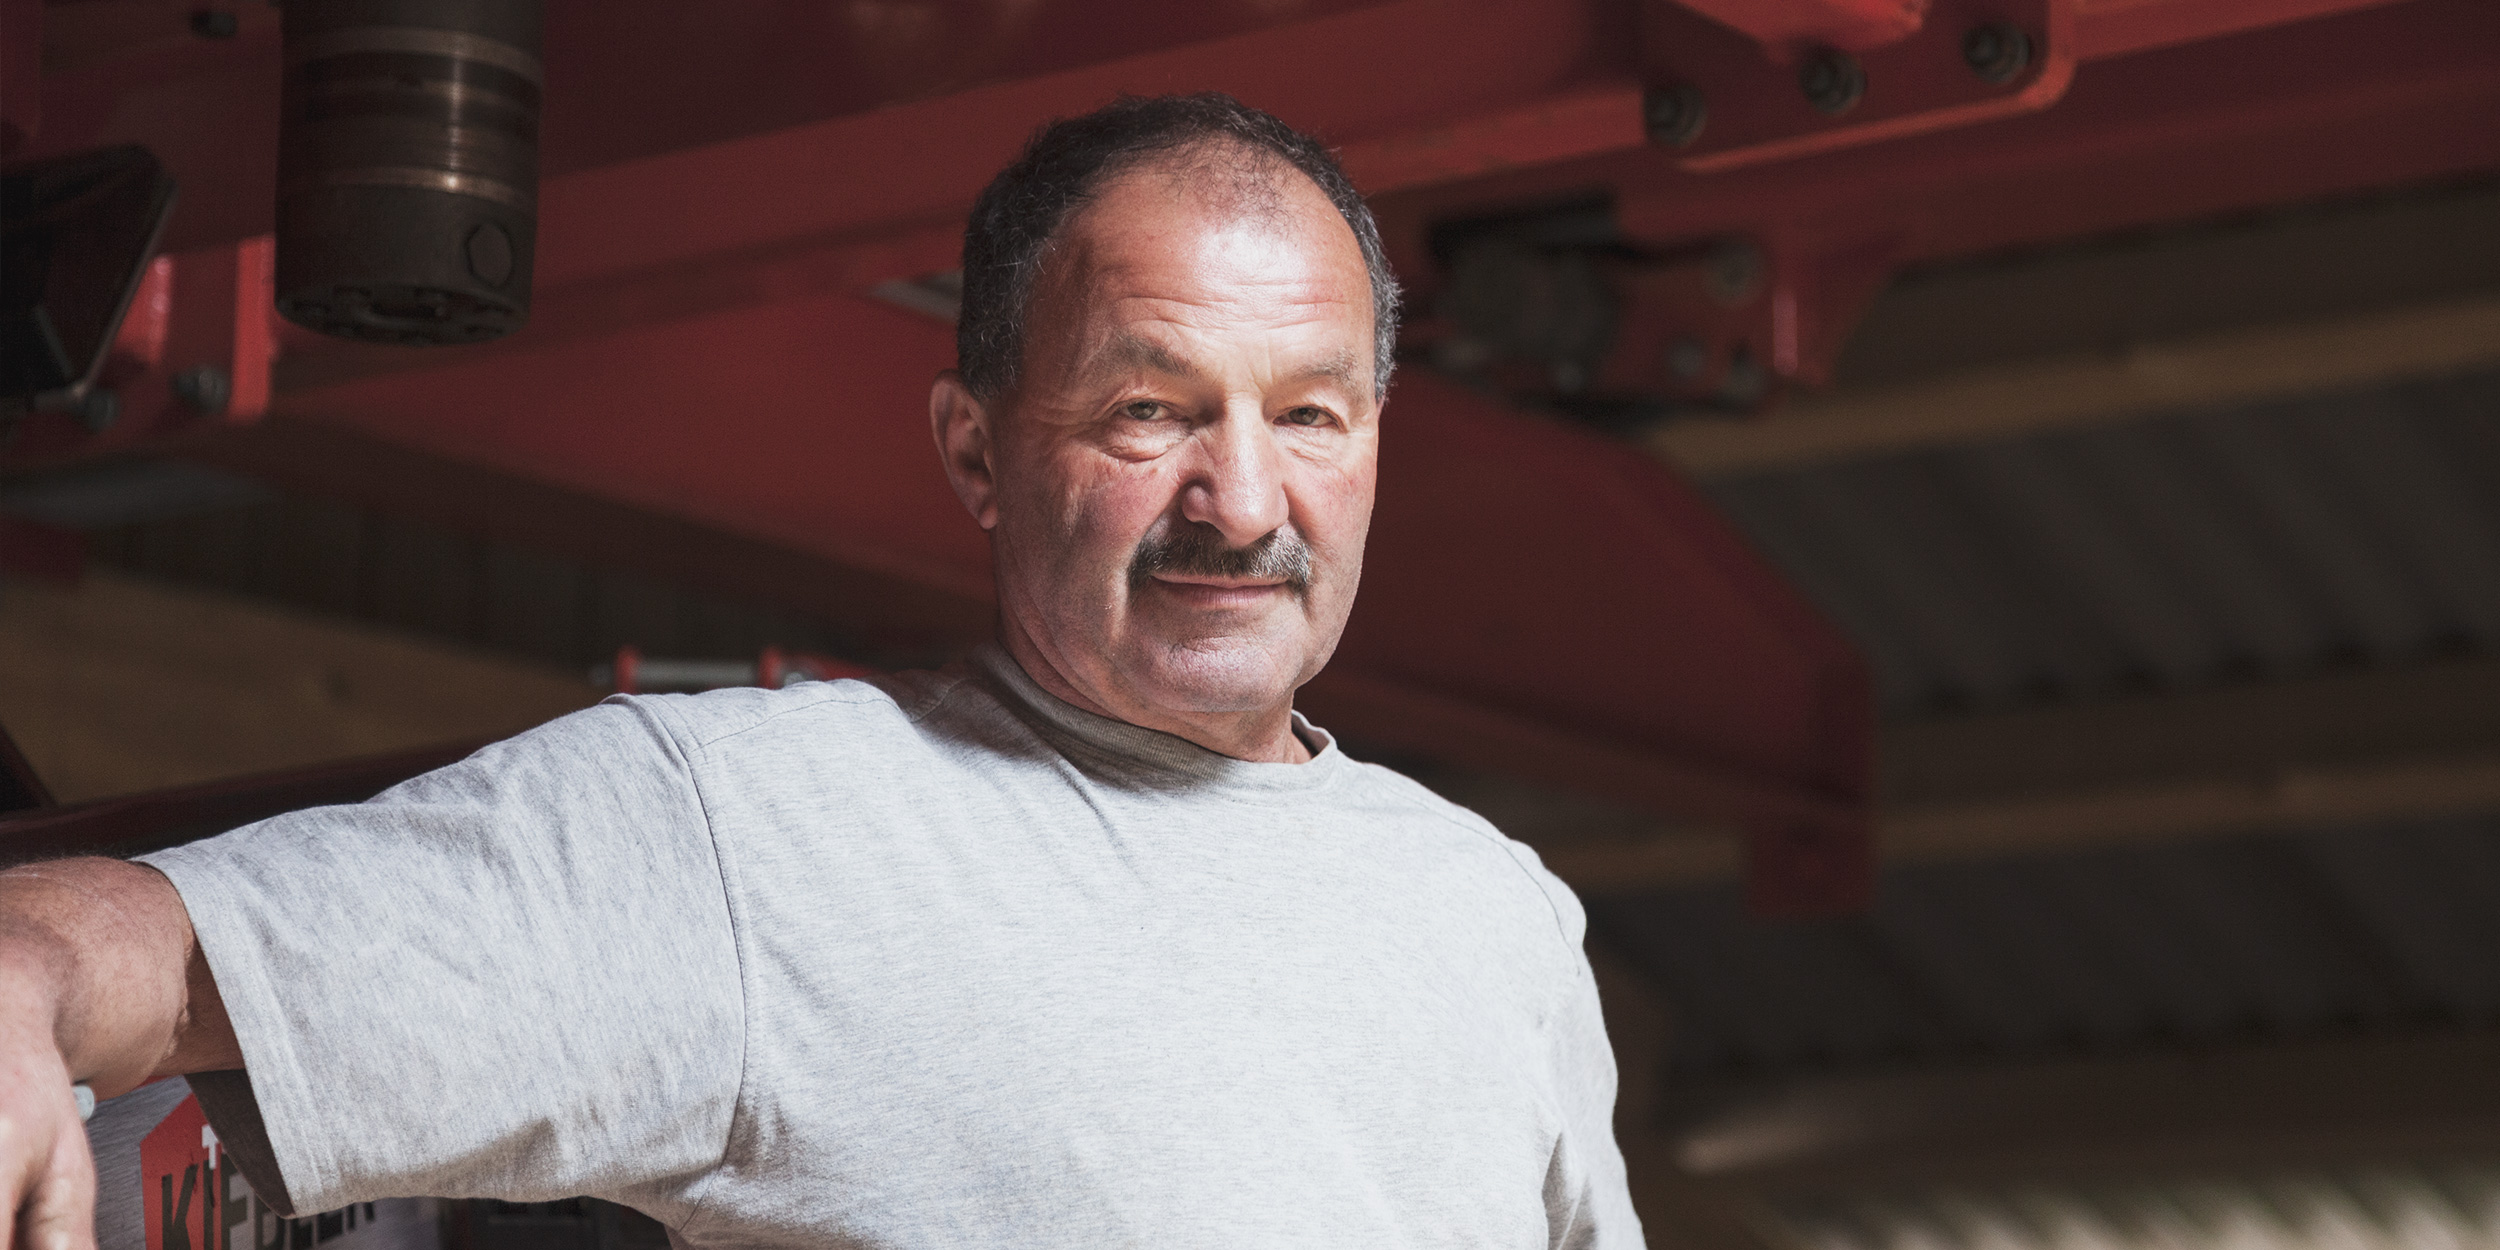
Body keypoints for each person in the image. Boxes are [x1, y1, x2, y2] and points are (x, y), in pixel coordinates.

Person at [0, 93, 1641, 1249]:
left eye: (1308, 413)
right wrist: (22, 978)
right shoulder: (752, 833)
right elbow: (174, 948)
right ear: (977, 451)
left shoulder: (1496, 915)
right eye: (1150, 411)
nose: (1245, 498)